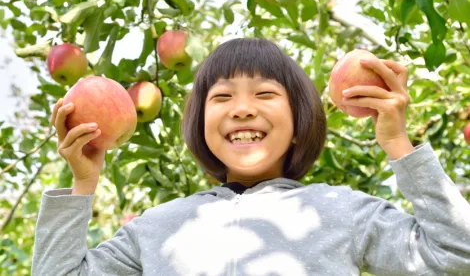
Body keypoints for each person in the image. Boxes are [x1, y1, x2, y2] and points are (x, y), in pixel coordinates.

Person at [32, 38, 470, 275]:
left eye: (264, 94)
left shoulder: (343, 211)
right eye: (222, 97)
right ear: (200, 124)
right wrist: (83, 185)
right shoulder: (156, 227)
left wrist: (399, 144)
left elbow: (456, 254)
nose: (242, 108)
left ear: (299, 121)